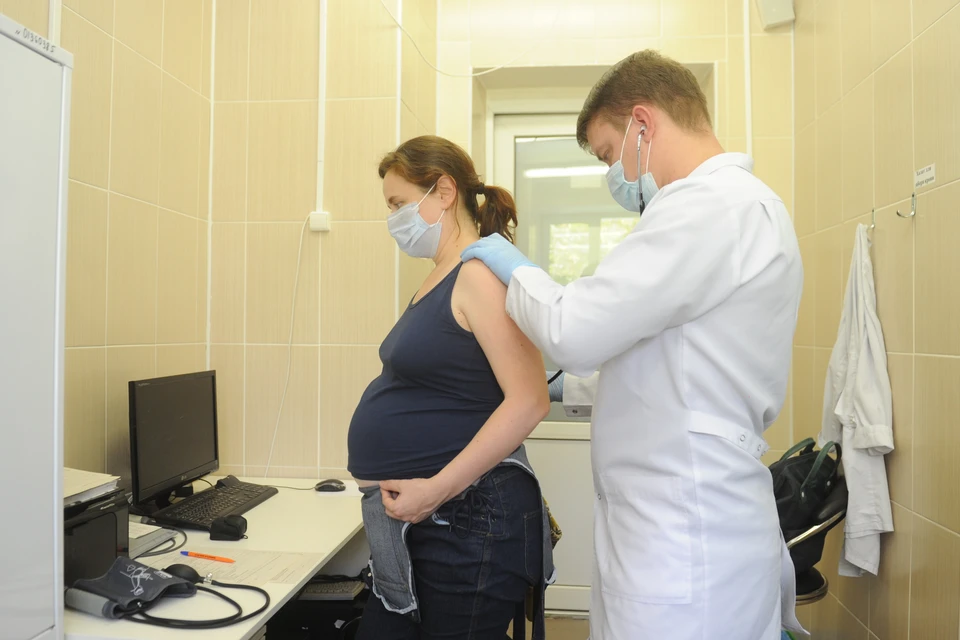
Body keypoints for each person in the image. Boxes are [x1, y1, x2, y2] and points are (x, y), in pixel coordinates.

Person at [462, 50, 806, 639]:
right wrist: (569, 386)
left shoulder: (711, 206)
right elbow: (674, 363)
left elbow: (575, 329)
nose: (612, 175)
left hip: (686, 540)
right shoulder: (732, 208)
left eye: (606, 154)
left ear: (642, 125)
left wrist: (515, 267)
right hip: (684, 520)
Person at [347, 135, 555, 640]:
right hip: (426, 520)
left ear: (443, 191)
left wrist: (435, 490)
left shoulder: (478, 274)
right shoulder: (439, 276)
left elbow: (530, 400)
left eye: (398, 203)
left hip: (465, 520)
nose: (393, 219)